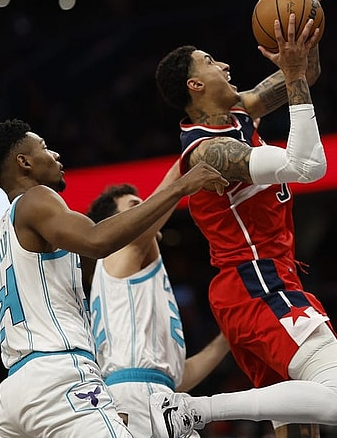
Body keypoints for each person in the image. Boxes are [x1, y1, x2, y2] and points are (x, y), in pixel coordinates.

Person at [148, 12, 337, 438]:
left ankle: (195, 411)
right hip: (257, 284)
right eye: (210, 61)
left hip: (254, 286)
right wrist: (296, 74)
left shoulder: (239, 111)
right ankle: (194, 410)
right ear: (195, 85)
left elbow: (306, 73)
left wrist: (304, 27)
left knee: (301, 428)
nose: (225, 64)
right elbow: (306, 165)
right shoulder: (209, 152)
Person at [0, 118, 228, 437]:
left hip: (16, 393)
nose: (55, 155)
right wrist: (181, 186)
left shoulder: (5, 229)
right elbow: (98, 240)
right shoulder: (37, 198)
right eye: (44, 147)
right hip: (59, 377)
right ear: (23, 162)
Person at [86, 174, 230, 437]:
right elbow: (150, 216)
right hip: (132, 396)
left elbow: (175, 376)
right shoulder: (120, 251)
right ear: (117, 224)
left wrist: (227, 339)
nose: (145, 208)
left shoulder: (140, 276)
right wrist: (187, 168)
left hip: (160, 394)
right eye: (134, 207)